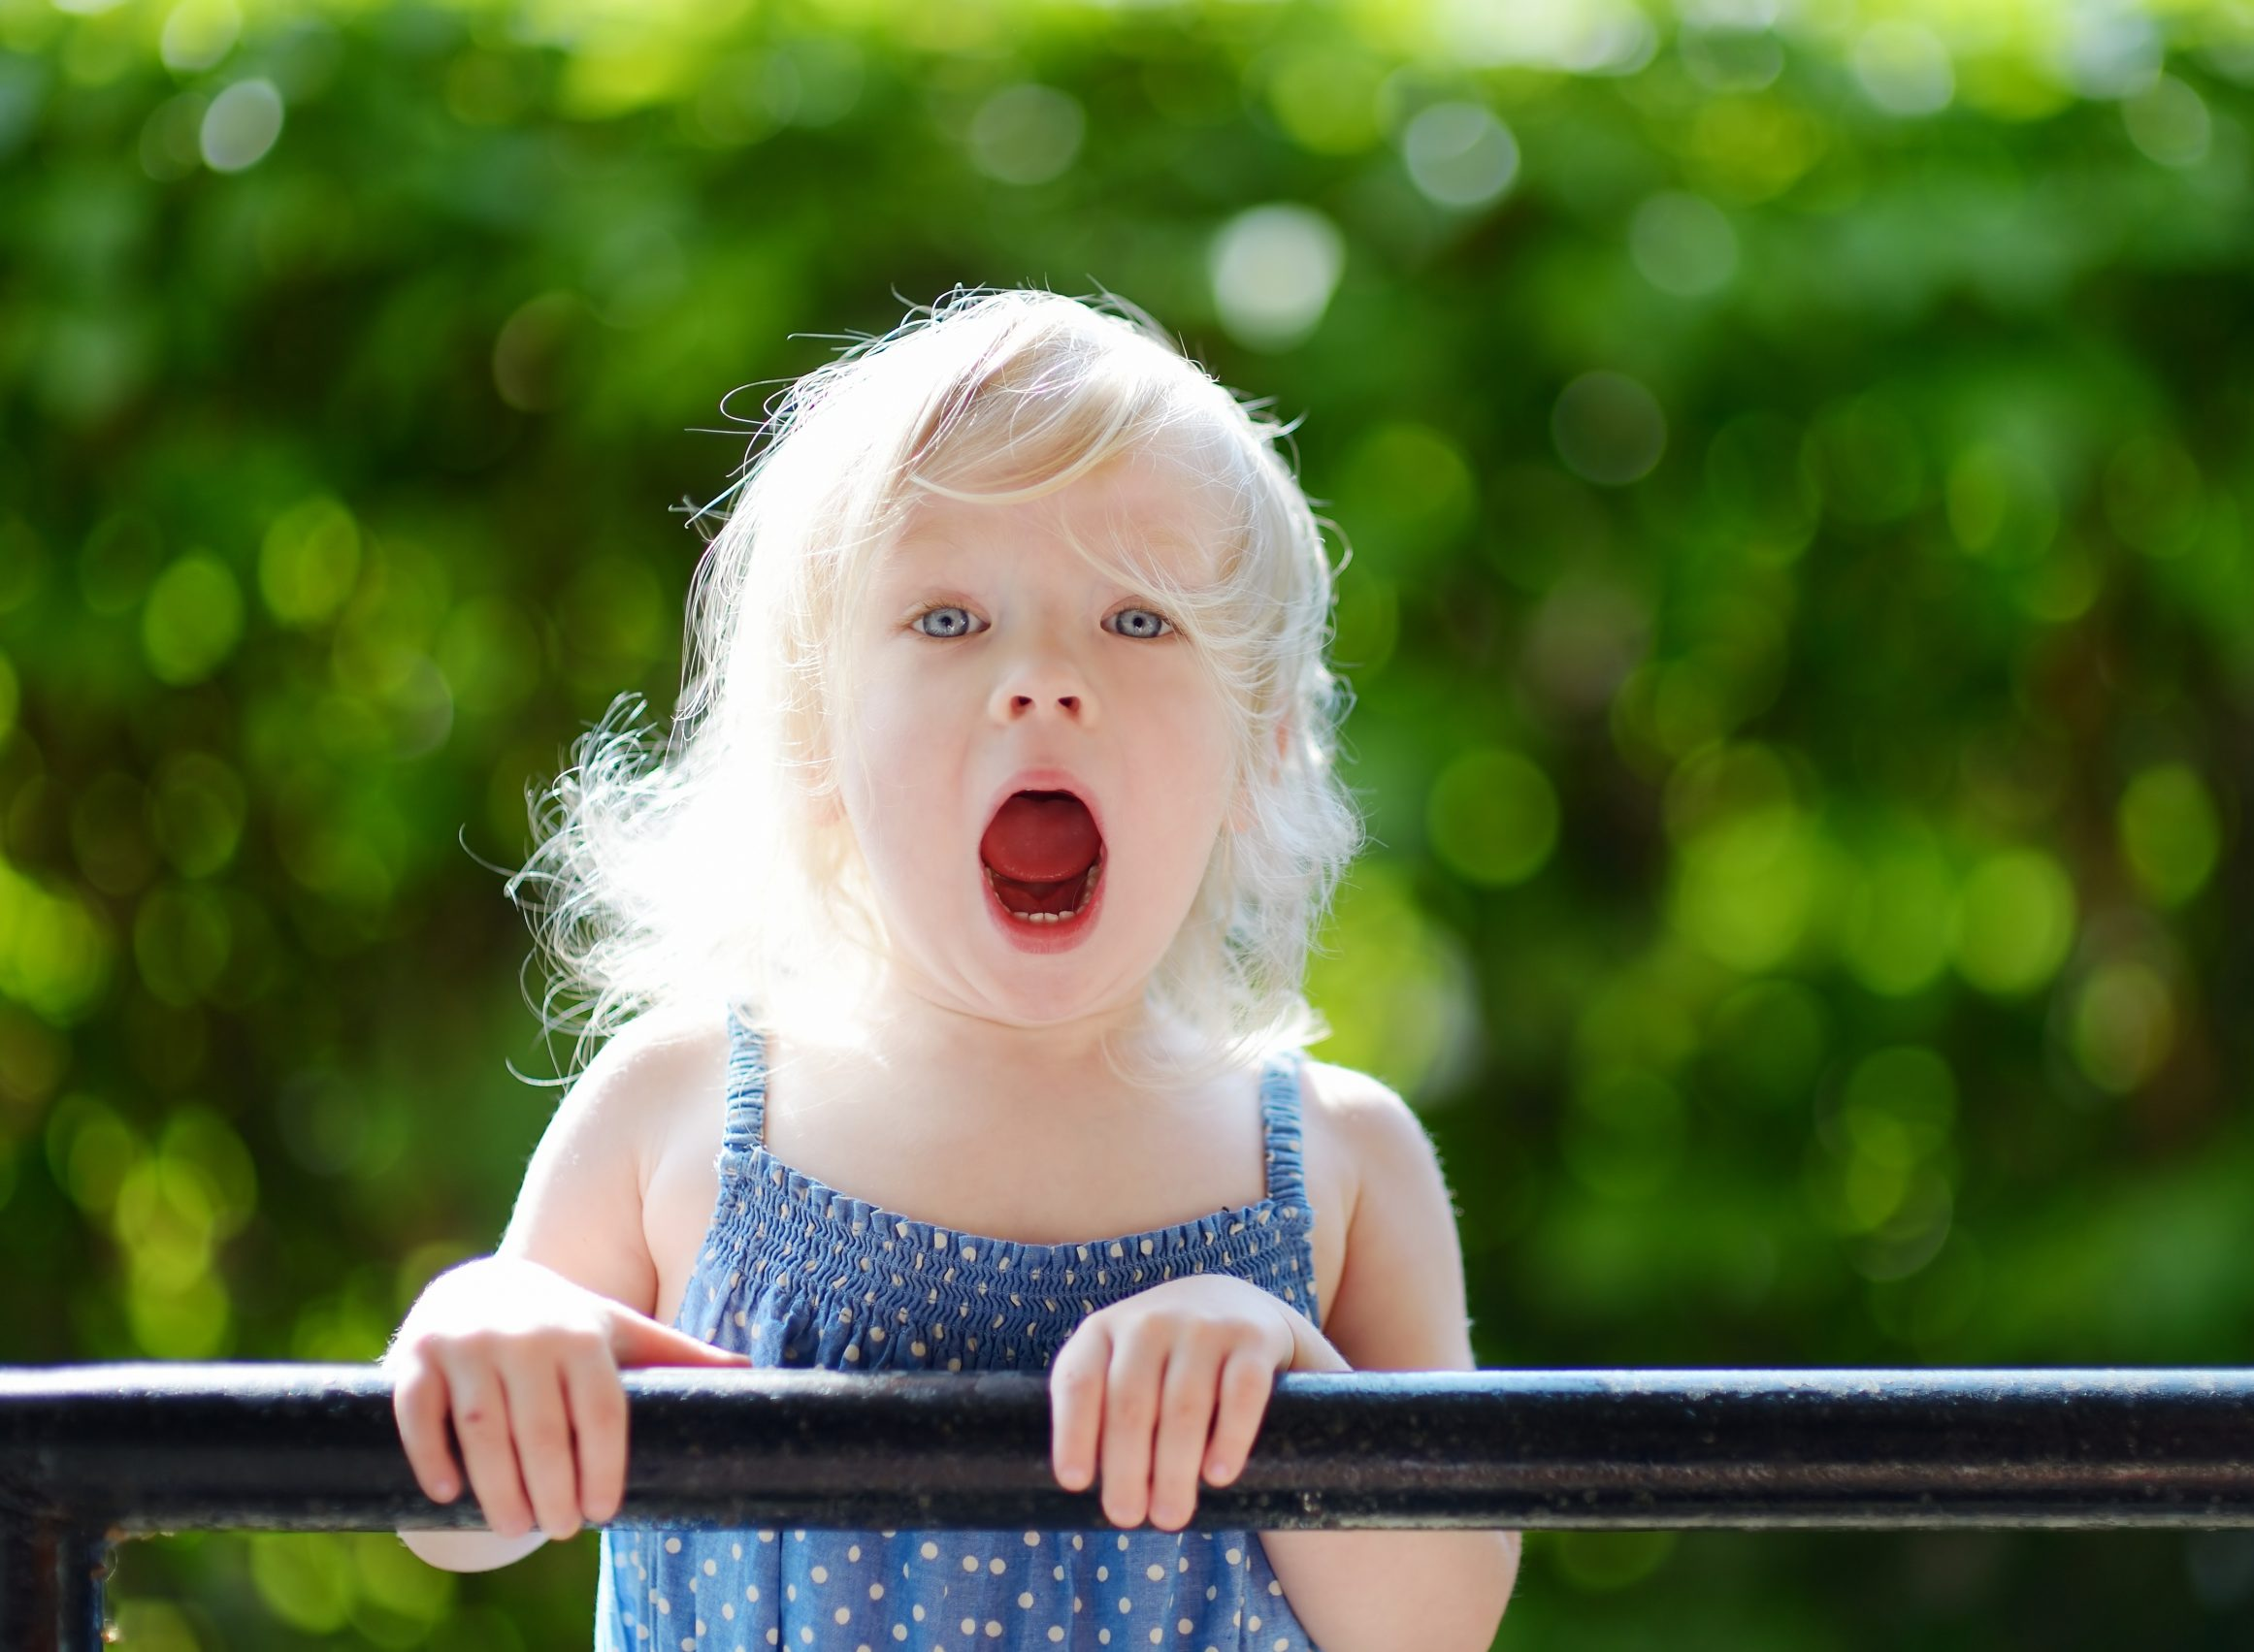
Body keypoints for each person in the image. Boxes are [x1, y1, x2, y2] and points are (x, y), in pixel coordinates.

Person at [382, 286, 1521, 1651]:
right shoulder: (677, 1110)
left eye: (1140, 619)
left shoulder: (1336, 1163)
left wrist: (1293, 1377)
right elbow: (452, 1516)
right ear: (812, 736)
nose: (1042, 679)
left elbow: (1440, 1626)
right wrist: (486, 1322)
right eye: (947, 621)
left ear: (1262, 736)